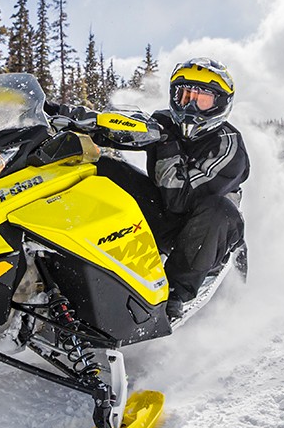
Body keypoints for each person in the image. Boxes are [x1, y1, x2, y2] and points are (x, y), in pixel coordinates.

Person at [44, 57, 249, 319]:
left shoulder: (229, 146)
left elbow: (181, 199)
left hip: (207, 241)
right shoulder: (164, 123)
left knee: (219, 209)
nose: (191, 105)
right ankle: (65, 248)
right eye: (185, 95)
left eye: (202, 99)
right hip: (164, 218)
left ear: (219, 104)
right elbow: (115, 125)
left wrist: (167, 145)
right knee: (105, 167)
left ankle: (175, 294)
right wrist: (59, 114)